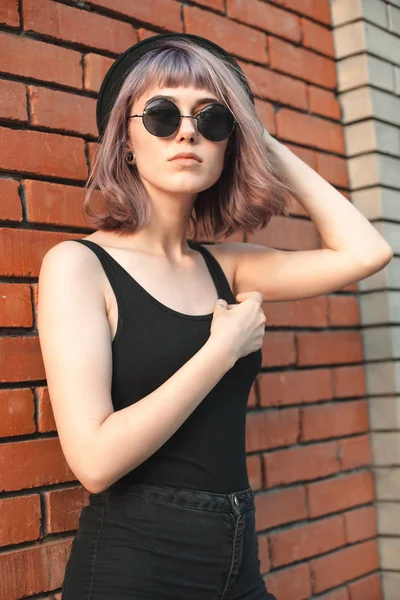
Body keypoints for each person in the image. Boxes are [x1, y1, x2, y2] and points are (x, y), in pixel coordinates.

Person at [37, 33, 393, 600]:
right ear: (125, 141)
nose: (187, 131)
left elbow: (367, 253)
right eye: (159, 114)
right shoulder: (79, 266)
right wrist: (220, 350)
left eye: (212, 119)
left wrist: (262, 139)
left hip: (236, 557)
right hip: (138, 564)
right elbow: (95, 462)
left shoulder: (226, 267)